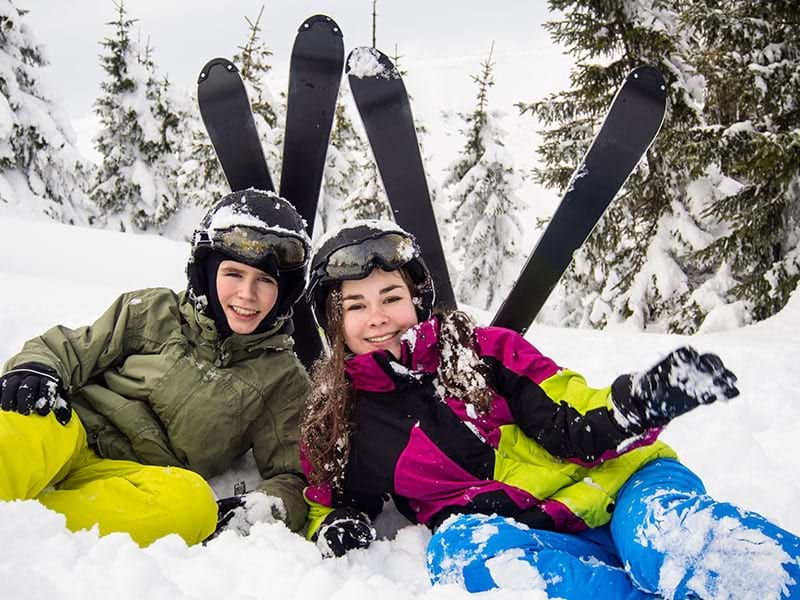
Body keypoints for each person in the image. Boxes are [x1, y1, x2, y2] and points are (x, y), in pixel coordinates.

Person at [299, 220, 800, 598]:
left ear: (418, 301)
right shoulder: (343, 422)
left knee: (665, 540)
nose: (379, 317)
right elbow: (328, 494)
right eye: (356, 306)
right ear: (334, 322)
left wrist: (637, 404)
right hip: (531, 535)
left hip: (621, 483)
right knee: (460, 554)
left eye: (392, 297)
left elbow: (571, 417)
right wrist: (334, 523)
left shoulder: (484, 350)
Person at [0, 189, 311, 547]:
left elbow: (292, 475)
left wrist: (260, 510)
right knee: (24, 421)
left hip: (137, 478)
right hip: (72, 430)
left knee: (193, 506)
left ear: (285, 292)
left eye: (265, 281)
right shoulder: (153, 310)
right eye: (234, 274)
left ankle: (28, 532)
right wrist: (37, 367)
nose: (247, 294)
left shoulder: (280, 377)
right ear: (207, 273)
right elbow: (69, 348)